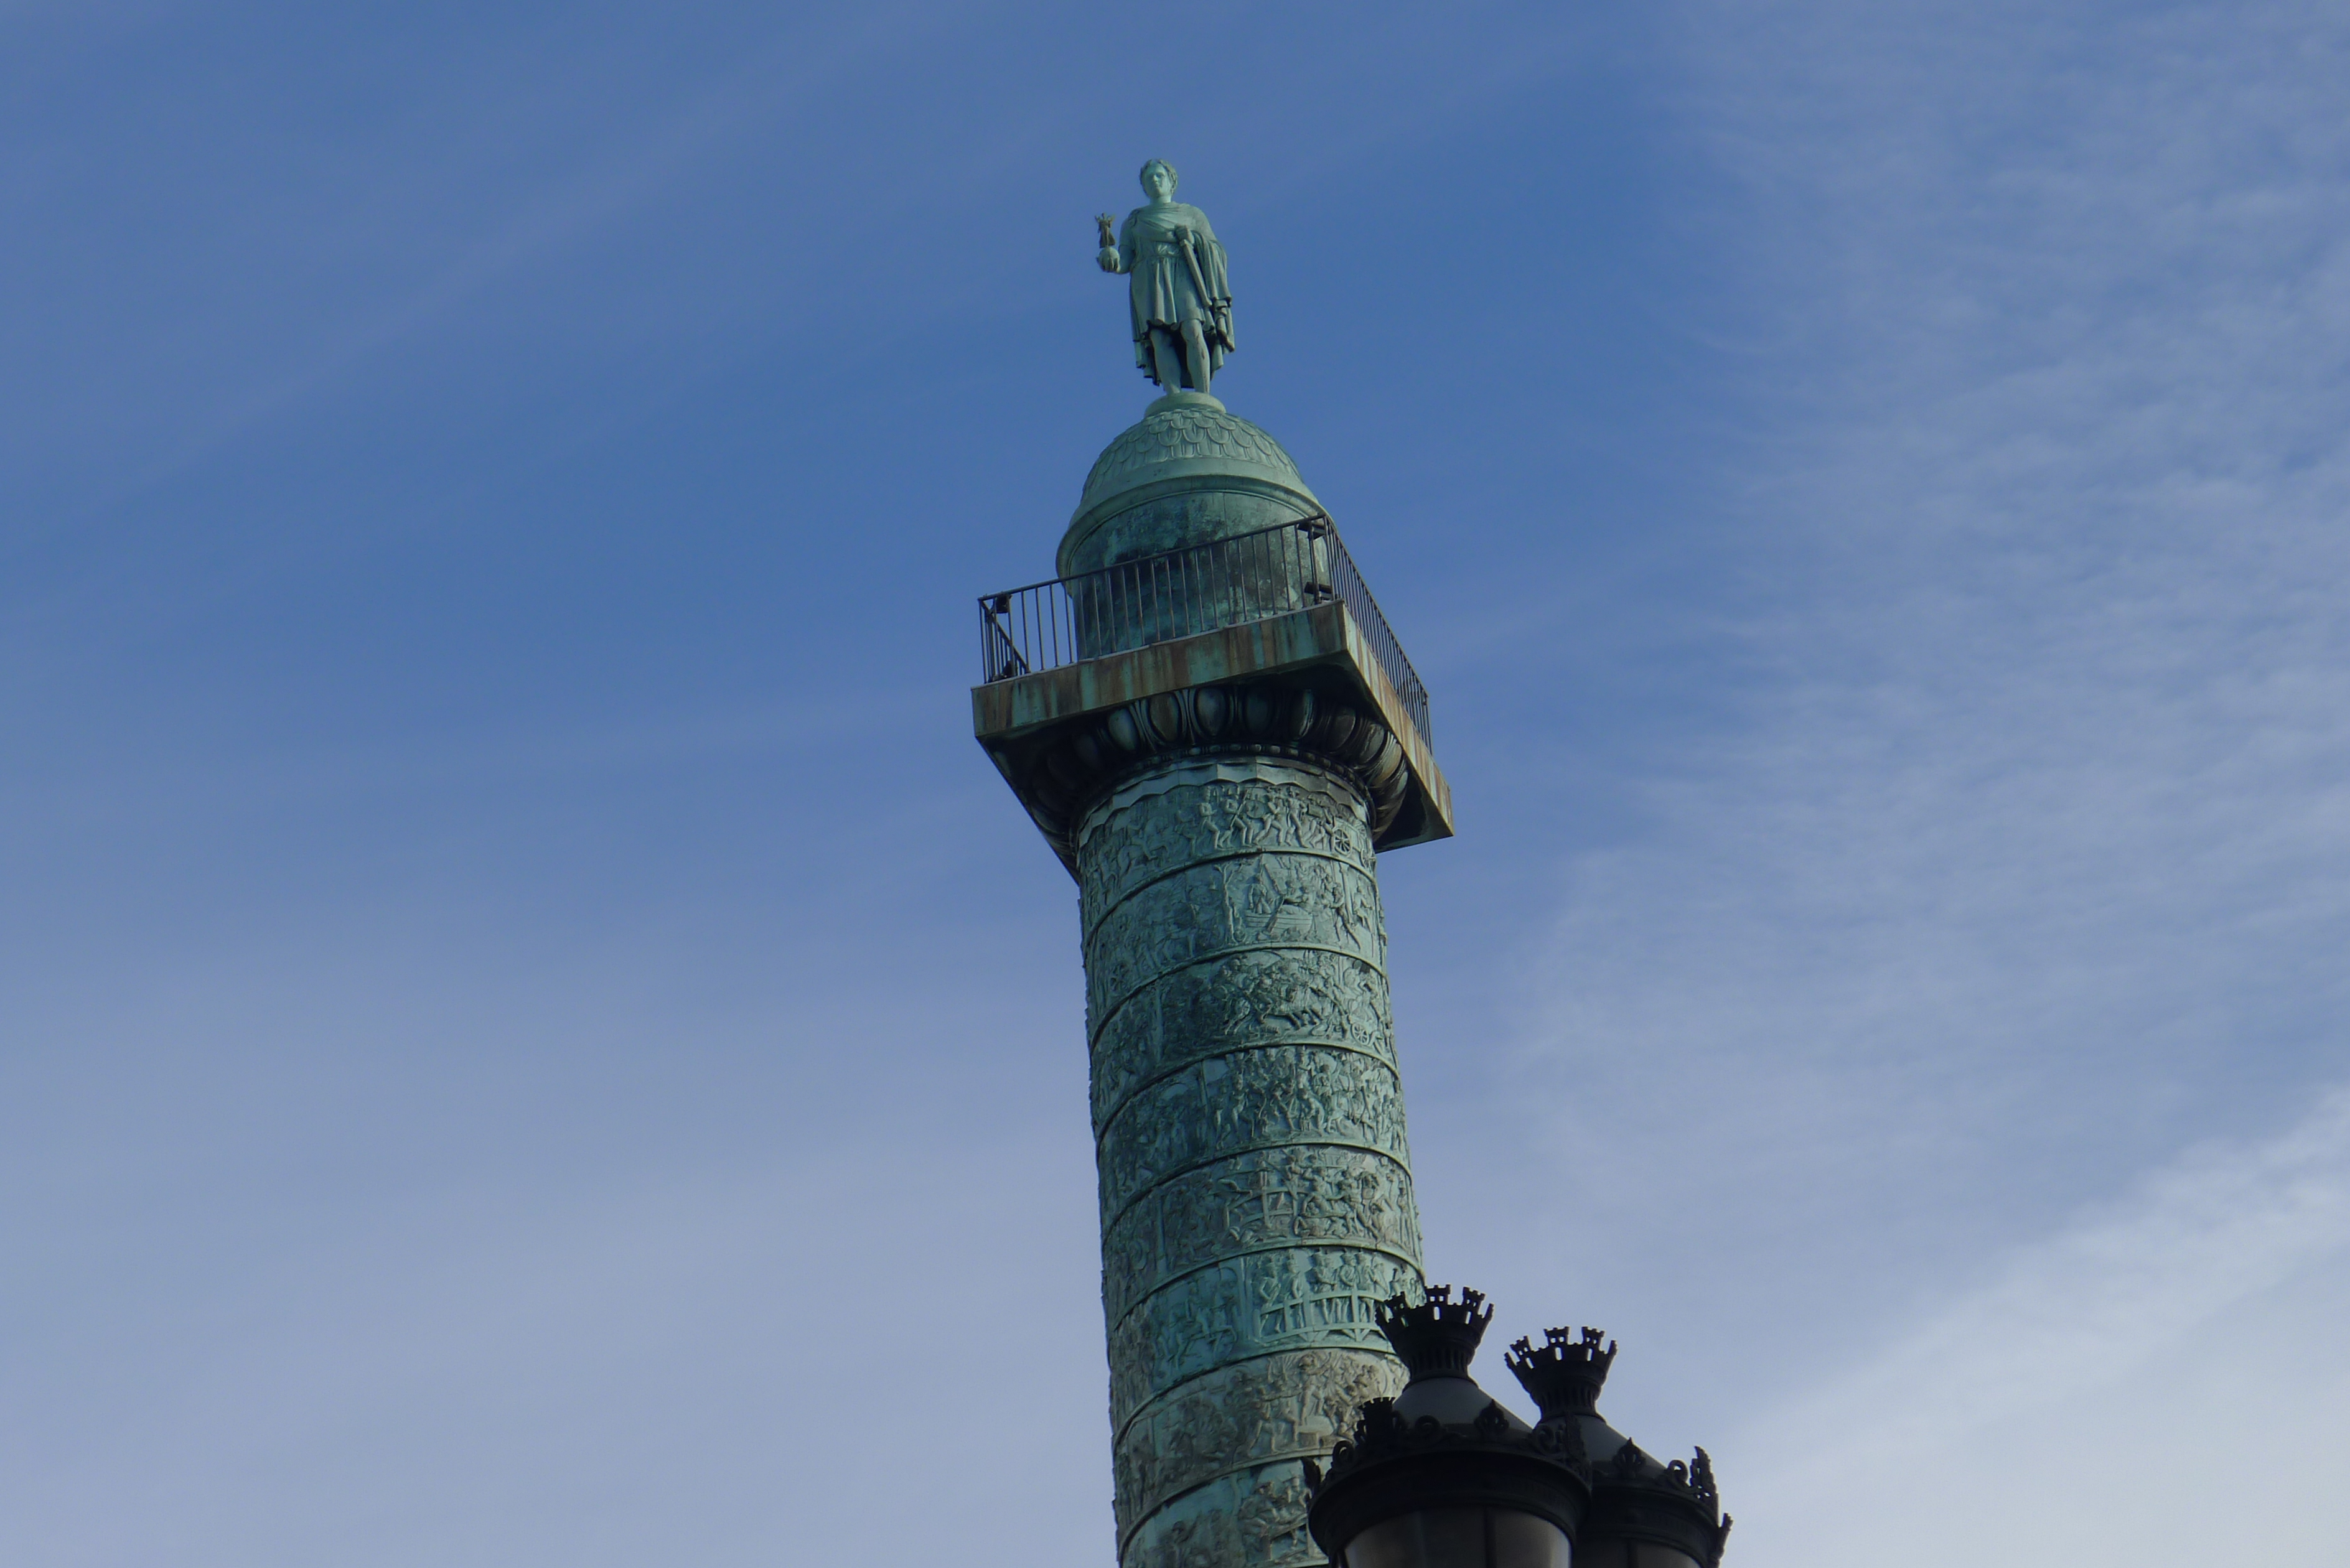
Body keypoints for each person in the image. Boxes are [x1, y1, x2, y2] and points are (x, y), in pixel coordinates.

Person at [1097, 159, 1234, 395]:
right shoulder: (1134, 221)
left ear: (1172, 182)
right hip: (1148, 279)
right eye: (1149, 178)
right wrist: (1111, 259)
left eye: (1159, 176)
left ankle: (1203, 394)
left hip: (1182, 272)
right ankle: (1173, 395)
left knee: (1193, 328)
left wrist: (1194, 240)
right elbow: (1125, 262)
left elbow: (1217, 251)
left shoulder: (1192, 214)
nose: (1154, 180)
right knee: (1160, 337)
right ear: (1143, 187)